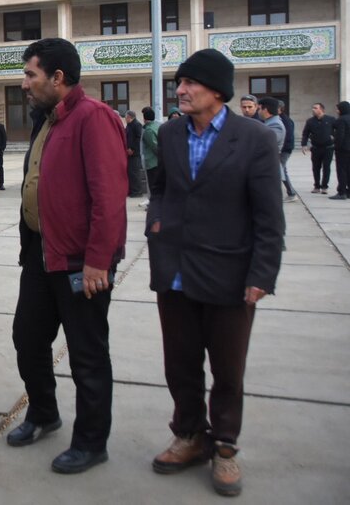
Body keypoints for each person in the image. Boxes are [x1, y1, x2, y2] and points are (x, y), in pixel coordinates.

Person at [146, 49, 284, 497]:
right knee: (180, 364)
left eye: (191, 83)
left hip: (230, 273)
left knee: (227, 369)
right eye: (179, 83)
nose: (181, 91)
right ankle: (189, 435)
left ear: (218, 91)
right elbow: (160, 188)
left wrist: (262, 274)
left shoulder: (254, 138)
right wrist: (156, 223)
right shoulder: (170, 133)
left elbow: (269, 216)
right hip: (176, 270)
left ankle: (224, 447)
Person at [8, 38, 127, 475]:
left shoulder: (93, 118)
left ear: (57, 77)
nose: (24, 83)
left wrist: (98, 260)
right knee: (27, 338)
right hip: (42, 255)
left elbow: (109, 197)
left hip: (81, 263)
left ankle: (92, 442)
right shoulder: (48, 120)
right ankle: (44, 413)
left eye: (30, 74)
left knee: (87, 354)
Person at [301, 102, 337, 194]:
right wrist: (304, 144)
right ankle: (316, 186)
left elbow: (338, 130)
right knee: (316, 167)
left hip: (328, 148)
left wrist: (334, 137)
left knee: (326, 167)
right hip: (316, 148)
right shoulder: (310, 121)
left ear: (321, 109)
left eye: (315, 108)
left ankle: (324, 186)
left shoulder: (331, 119)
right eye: (313, 108)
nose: (313, 109)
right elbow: (305, 133)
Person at [140, 107, 160, 208]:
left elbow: (154, 146)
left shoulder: (148, 130)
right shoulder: (157, 126)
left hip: (152, 162)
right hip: (157, 162)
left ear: (144, 118)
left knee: (153, 186)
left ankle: (154, 206)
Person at [277, 100, 297, 199]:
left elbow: (288, 136)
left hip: (285, 149)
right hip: (284, 149)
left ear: (280, 108)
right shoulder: (280, 119)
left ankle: (291, 193)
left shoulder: (285, 120)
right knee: (281, 169)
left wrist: (280, 149)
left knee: (280, 170)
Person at [332, 101, 350, 200]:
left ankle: (342, 192)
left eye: (338, 109)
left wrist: (336, 146)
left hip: (343, 149)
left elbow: (340, 136)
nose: (337, 111)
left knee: (341, 170)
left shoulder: (341, 120)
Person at [125, 110, 145, 198]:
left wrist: (132, 148)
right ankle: (133, 190)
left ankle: (137, 191)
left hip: (135, 153)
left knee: (135, 173)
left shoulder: (137, 125)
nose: (125, 119)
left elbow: (138, 138)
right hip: (129, 153)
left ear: (129, 117)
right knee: (131, 173)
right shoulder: (129, 125)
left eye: (126, 117)